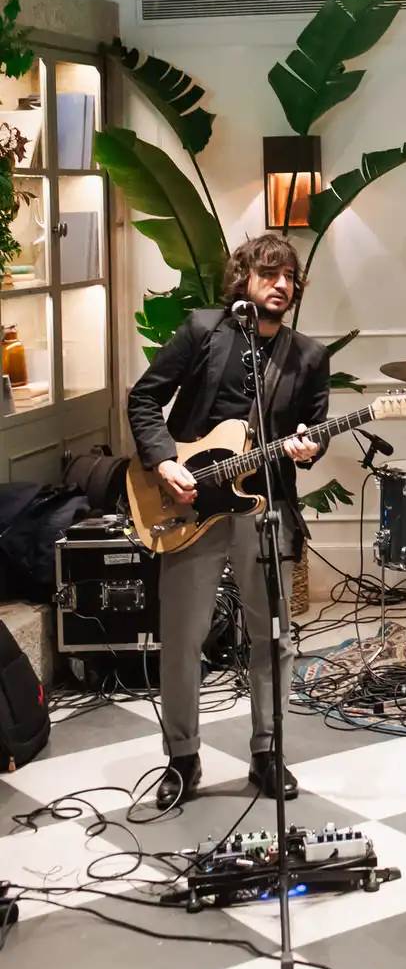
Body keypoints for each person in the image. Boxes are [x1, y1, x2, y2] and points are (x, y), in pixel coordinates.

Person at [128, 235, 329, 807]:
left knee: (273, 637)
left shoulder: (308, 356)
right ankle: (182, 757)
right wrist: (164, 461)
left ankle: (268, 753)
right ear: (244, 278)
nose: (282, 284)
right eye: (270, 273)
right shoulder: (203, 330)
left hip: (263, 508)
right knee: (181, 637)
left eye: (289, 276)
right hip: (189, 504)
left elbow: (314, 429)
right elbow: (144, 400)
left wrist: (307, 448)